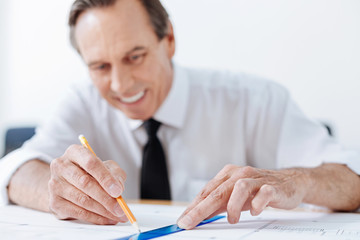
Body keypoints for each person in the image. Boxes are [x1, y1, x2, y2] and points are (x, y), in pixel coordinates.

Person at [1, 0, 360, 230]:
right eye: (99, 66)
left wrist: (296, 180)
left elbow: (354, 178)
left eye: (135, 56)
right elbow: (15, 169)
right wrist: (56, 190)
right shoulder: (82, 102)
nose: (120, 84)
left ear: (169, 39)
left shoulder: (256, 100)